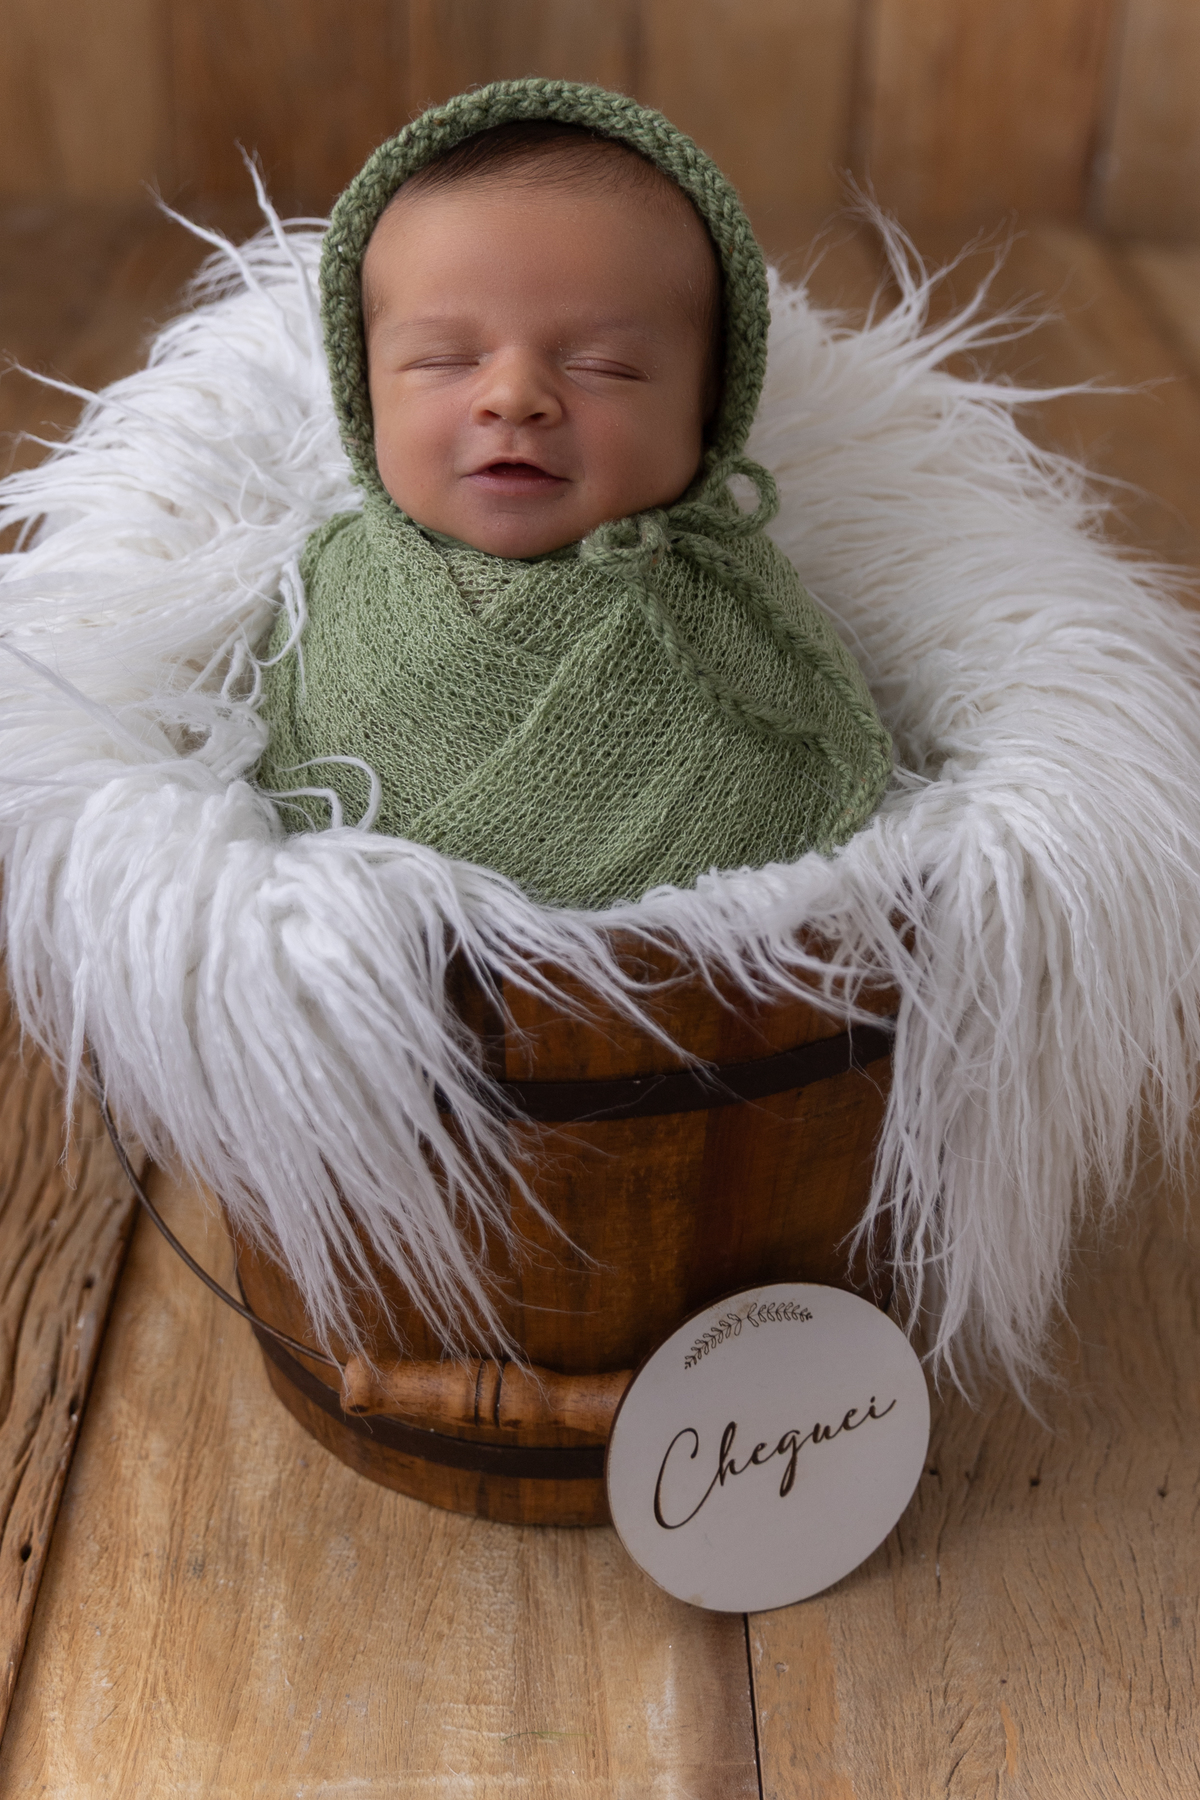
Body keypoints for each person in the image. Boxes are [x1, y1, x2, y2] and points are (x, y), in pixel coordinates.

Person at [256, 80, 892, 910]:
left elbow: (819, 794)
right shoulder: (327, 591)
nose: (514, 396)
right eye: (446, 359)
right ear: (362, 394)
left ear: (708, 411)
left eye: (604, 366)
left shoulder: (737, 621)